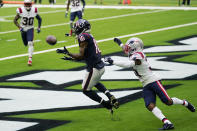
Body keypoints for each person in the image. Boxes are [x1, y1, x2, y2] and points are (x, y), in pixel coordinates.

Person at [104, 37, 195, 130]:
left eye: (129, 46)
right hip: (145, 84)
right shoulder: (134, 53)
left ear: (134, 47)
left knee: (168, 101)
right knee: (149, 105)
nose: (127, 48)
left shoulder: (139, 55)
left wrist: (113, 61)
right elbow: (125, 49)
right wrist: (119, 42)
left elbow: (129, 64)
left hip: (153, 81)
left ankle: (185, 103)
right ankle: (167, 122)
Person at [56, 19, 119, 112]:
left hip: (94, 69)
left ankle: (106, 104)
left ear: (82, 28)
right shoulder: (88, 35)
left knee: (86, 90)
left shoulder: (83, 36)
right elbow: (84, 56)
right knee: (94, 82)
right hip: (99, 66)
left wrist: (68, 53)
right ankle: (110, 96)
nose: (75, 29)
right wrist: (72, 57)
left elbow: (81, 55)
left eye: (76, 27)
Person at [14, 0, 42, 66]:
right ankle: (30, 48)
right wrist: (19, 27)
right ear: (24, 4)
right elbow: (15, 20)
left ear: (31, 4)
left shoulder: (34, 10)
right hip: (23, 29)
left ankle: (30, 59)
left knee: (30, 43)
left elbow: (39, 19)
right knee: (25, 44)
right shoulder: (20, 10)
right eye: (26, 4)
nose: (28, 5)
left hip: (30, 28)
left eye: (29, 4)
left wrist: (39, 27)